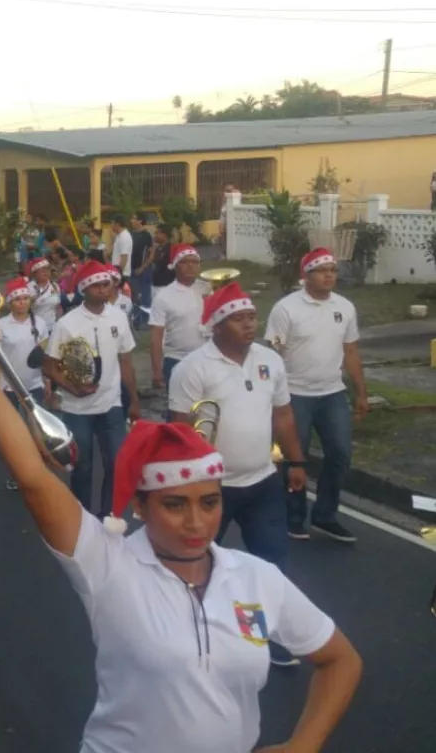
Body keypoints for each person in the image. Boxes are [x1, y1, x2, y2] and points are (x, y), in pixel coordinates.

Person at [0, 306, 361, 752]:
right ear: (140, 506)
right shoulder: (107, 564)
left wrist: (303, 744)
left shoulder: (256, 578)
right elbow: (34, 477)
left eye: (210, 502)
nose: (196, 522)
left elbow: (340, 660)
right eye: (174, 504)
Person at [169, 281, 311, 666]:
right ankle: (188, 636)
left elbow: (282, 415)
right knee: (195, 562)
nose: (250, 325)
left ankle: (272, 636)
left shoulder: (270, 361)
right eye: (238, 319)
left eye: (252, 317)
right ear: (216, 326)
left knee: (272, 563)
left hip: (262, 481)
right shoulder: (191, 368)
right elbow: (180, 430)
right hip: (211, 488)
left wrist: (297, 463)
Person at [265, 248, 366, 544]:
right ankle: (294, 517)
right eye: (322, 271)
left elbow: (351, 351)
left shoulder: (345, 307)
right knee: (296, 458)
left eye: (333, 270)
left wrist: (361, 392)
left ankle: (325, 514)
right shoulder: (286, 309)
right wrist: (272, 397)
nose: (329, 275)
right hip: (294, 394)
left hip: (333, 393)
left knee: (340, 454)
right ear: (305, 275)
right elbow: (272, 354)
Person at [43, 261, 139, 517]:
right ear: (84, 289)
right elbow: (49, 367)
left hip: (112, 405)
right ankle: (83, 518)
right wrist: (69, 387)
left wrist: (135, 401)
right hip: (77, 409)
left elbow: (126, 361)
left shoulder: (118, 317)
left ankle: (109, 518)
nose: (102, 289)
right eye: (96, 285)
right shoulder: (67, 323)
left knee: (117, 465)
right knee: (82, 468)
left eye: (106, 284)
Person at [0, 277, 50, 488]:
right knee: (15, 434)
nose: (22, 303)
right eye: (17, 300)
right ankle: (15, 473)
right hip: (8, 386)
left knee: (36, 430)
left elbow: (45, 358)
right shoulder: (1, 325)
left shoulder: (40, 324)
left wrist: (48, 383)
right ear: (10, 303)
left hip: (34, 384)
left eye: (25, 298)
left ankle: (36, 470)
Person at [148, 244, 211, 395]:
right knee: (179, 410)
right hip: (177, 360)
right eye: (184, 262)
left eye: (195, 262)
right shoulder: (164, 296)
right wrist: (157, 370)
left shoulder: (208, 288)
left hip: (207, 358)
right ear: (175, 266)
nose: (190, 266)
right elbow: (156, 337)